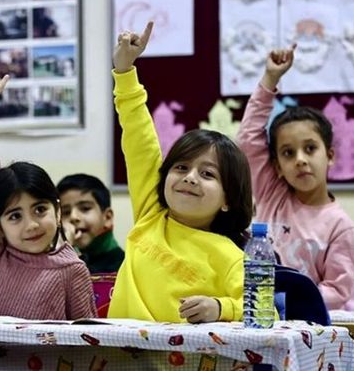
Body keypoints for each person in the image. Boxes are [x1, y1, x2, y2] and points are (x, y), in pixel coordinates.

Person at [107, 22, 253, 323]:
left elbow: (267, 312)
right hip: (116, 356)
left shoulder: (230, 256)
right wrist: (124, 72)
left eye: (208, 174)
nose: (190, 177)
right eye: (182, 167)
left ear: (228, 199)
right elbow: (139, 138)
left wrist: (221, 307)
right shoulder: (151, 214)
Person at [0, 75, 97, 320]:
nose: (31, 224)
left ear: (58, 211)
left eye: (40, 210)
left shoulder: (72, 270)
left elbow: (87, 343)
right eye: (15, 216)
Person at [237, 45, 354, 311]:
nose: (300, 159)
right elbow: (248, 138)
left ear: (330, 155)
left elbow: (337, 291)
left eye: (310, 148)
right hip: (267, 315)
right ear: (277, 166)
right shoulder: (272, 194)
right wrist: (270, 80)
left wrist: (283, 302)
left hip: (314, 326)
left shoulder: (342, 228)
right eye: (288, 152)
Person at [57, 174, 124, 274]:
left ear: (107, 217)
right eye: (66, 212)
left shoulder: (125, 265)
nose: (73, 217)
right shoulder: (56, 259)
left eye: (85, 208)